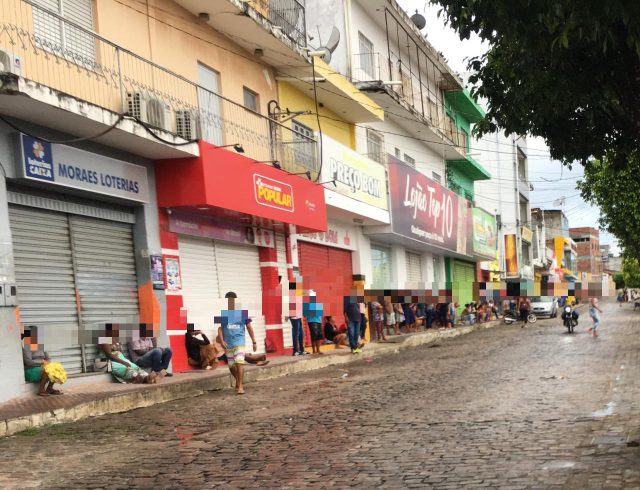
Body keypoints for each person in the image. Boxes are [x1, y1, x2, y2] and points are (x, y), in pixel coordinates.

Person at [215, 291, 258, 395]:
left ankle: (240, 386)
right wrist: (222, 341)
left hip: (239, 342)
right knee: (231, 366)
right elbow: (220, 328)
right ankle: (239, 381)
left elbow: (249, 327)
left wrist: (254, 341)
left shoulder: (243, 313)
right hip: (228, 344)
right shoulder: (223, 314)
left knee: (239, 362)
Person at [22, 327, 65, 396]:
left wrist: (47, 363)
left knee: (56, 368)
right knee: (47, 370)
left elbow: (48, 358)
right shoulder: (27, 347)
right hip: (30, 370)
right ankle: (41, 390)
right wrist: (42, 362)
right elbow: (28, 362)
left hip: (41, 367)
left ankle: (49, 388)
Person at [288, 279, 306, 356]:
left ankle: (302, 350)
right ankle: (295, 350)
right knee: (296, 333)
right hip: (294, 316)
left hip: (298, 316)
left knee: (301, 333)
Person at [303, 290, 324, 355]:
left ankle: (318, 350)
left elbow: (320, 313)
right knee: (314, 335)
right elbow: (304, 314)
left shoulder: (317, 304)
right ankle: (314, 351)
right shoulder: (306, 305)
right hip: (311, 321)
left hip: (318, 321)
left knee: (319, 336)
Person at [344, 288, 364, 354]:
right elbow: (344, 310)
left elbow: (359, 310)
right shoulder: (347, 299)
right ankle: (353, 348)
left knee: (356, 334)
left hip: (358, 319)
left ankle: (355, 348)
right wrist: (346, 318)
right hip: (351, 319)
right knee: (351, 333)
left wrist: (360, 318)